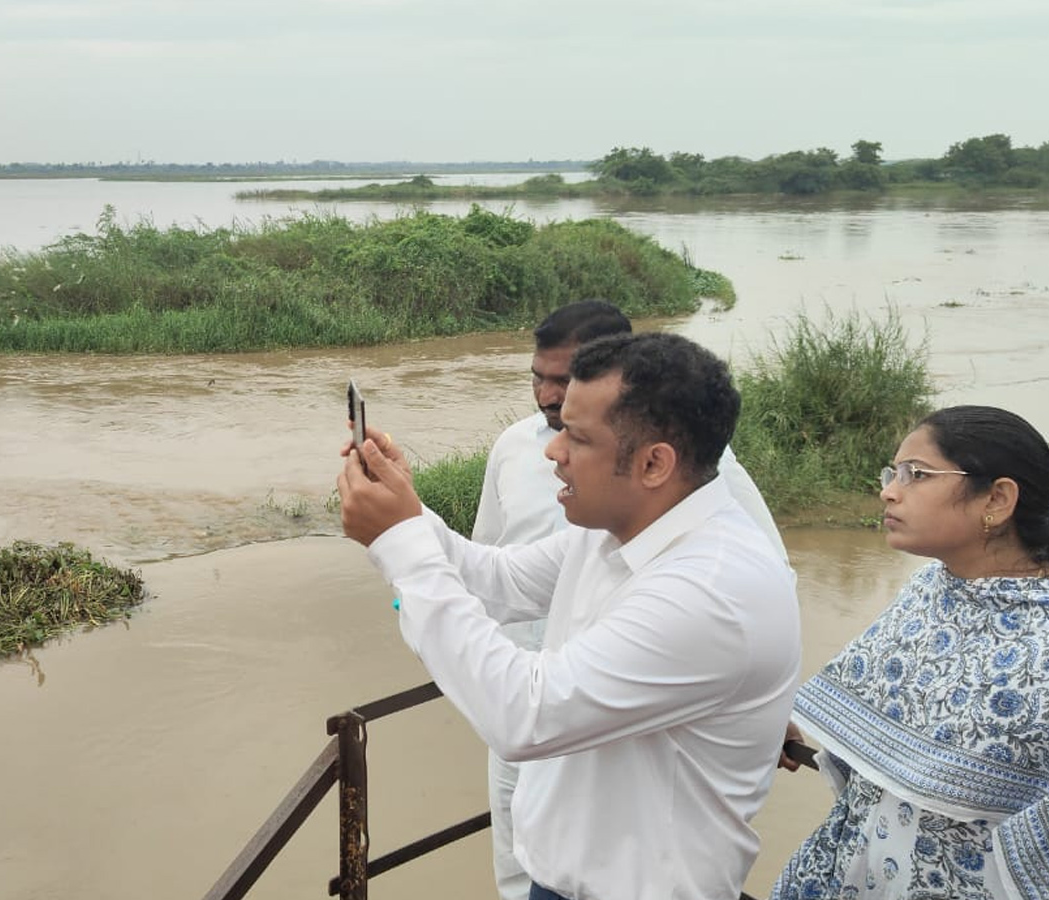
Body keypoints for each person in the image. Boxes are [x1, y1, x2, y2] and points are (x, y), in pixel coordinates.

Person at [339, 332, 801, 900]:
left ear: (655, 462)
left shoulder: (713, 590)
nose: (552, 452)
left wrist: (400, 544)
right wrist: (407, 508)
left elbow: (524, 715)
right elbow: (496, 580)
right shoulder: (621, 531)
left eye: (576, 437)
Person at [474, 300, 789, 900]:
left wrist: (754, 702)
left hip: (605, 720)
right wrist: (407, 542)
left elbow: (760, 596)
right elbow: (493, 563)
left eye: (564, 384)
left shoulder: (706, 494)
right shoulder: (519, 453)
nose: (547, 402)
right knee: (521, 842)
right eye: (537, 378)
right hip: (520, 689)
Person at [772, 405, 1049, 900]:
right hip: (856, 866)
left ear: (997, 498)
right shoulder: (933, 587)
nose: (889, 489)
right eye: (892, 473)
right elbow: (891, 720)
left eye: (917, 474)